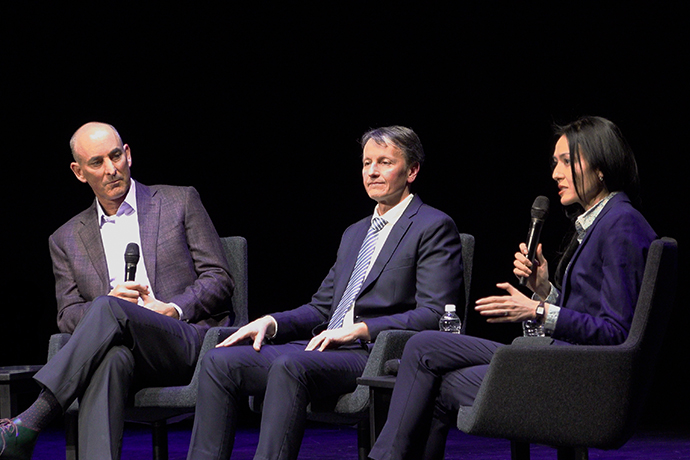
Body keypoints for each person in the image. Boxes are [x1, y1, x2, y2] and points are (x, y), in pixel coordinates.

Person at [368, 116, 657, 460]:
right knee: (424, 346)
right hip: (559, 360)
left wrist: (538, 310)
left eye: (567, 161)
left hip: (577, 379)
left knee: (432, 372)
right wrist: (545, 289)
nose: (556, 174)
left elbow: (615, 331)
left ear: (601, 167)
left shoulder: (622, 224)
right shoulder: (602, 222)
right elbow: (589, 311)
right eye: (555, 162)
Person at [185, 126, 464, 460]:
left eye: (384, 162)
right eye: (366, 163)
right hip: (322, 347)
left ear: (412, 170)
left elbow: (436, 314)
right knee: (219, 360)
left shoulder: (432, 226)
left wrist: (358, 330)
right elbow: (321, 308)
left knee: (290, 365)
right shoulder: (354, 232)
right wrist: (270, 322)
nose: (372, 171)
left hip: (370, 352)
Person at [0, 122, 234, 460]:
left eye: (115, 156)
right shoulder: (65, 239)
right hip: (121, 350)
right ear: (79, 172)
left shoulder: (179, 201)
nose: (111, 169)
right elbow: (67, 316)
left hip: (182, 342)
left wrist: (173, 308)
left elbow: (219, 277)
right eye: (97, 163)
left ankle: (32, 419)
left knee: (109, 309)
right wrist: (109, 306)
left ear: (128, 154)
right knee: (111, 358)